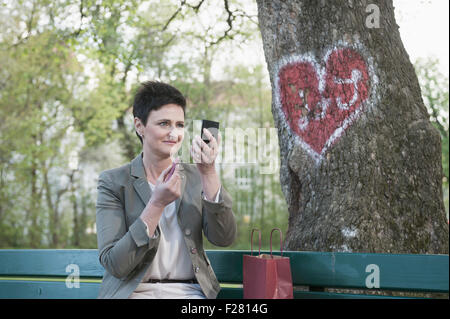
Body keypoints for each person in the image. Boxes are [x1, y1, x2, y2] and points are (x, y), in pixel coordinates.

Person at [95, 81, 237, 299]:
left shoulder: (197, 176)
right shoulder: (114, 182)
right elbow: (115, 264)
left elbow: (224, 237)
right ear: (139, 125)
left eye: (180, 125)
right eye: (164, 123)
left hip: (189, 293)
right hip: (134, 293)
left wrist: (208, 173)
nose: (174, 133)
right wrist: (156, 204)